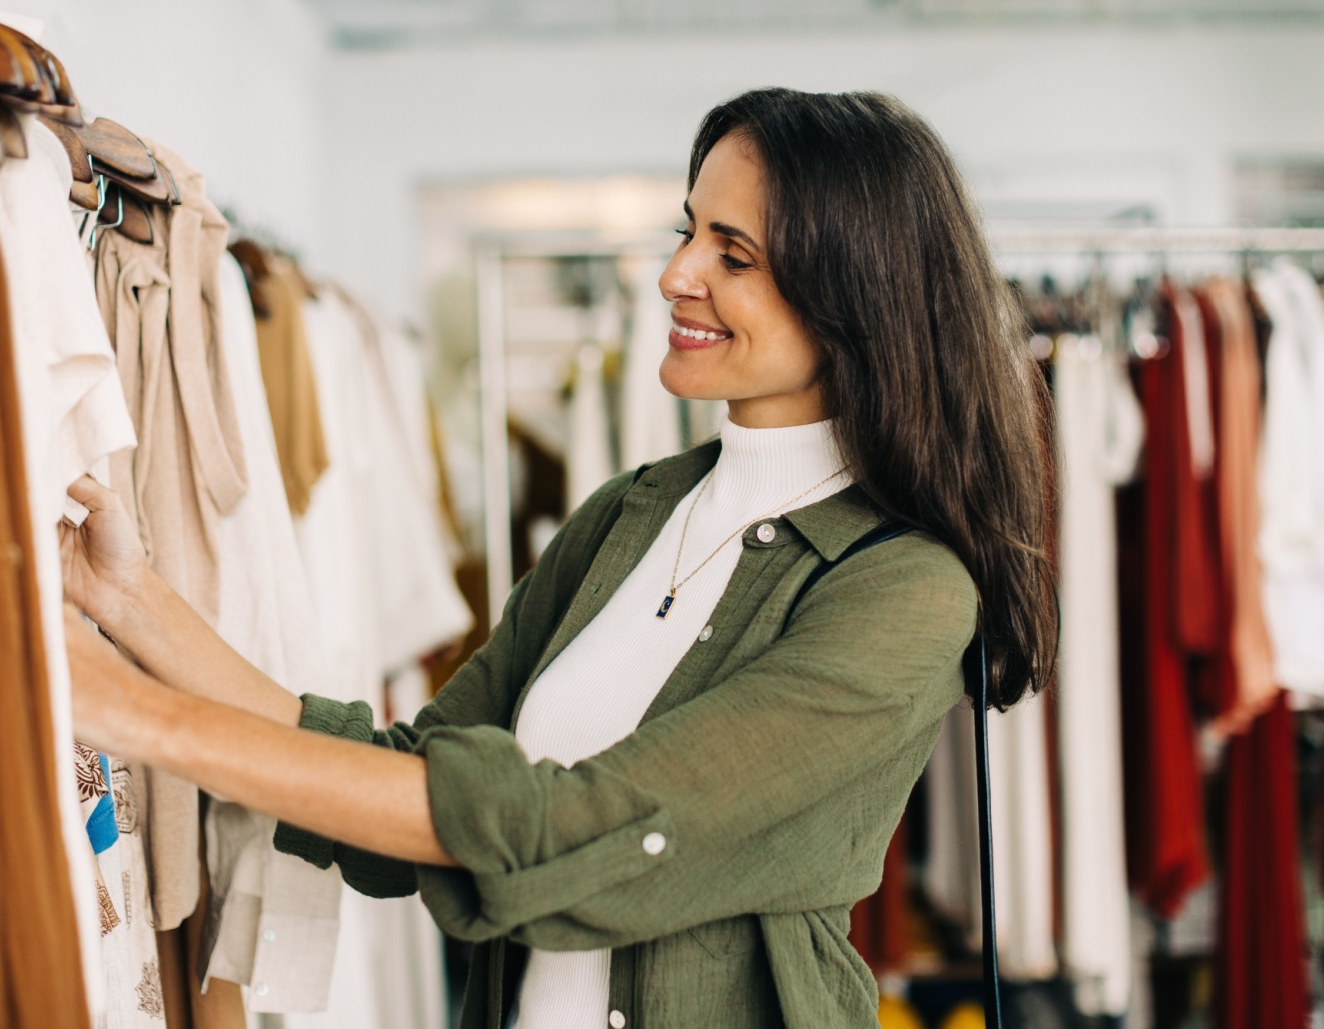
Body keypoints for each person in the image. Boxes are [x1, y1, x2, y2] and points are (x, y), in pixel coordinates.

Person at [60, 88, 1057, 1029]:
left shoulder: (903, 589)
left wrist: (142, 719)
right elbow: (415, 774)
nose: (676, 275)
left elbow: (571, 830)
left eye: (735, 253)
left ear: (857, 297)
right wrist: (135, 602)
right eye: (687, 230)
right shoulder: (635, 511)